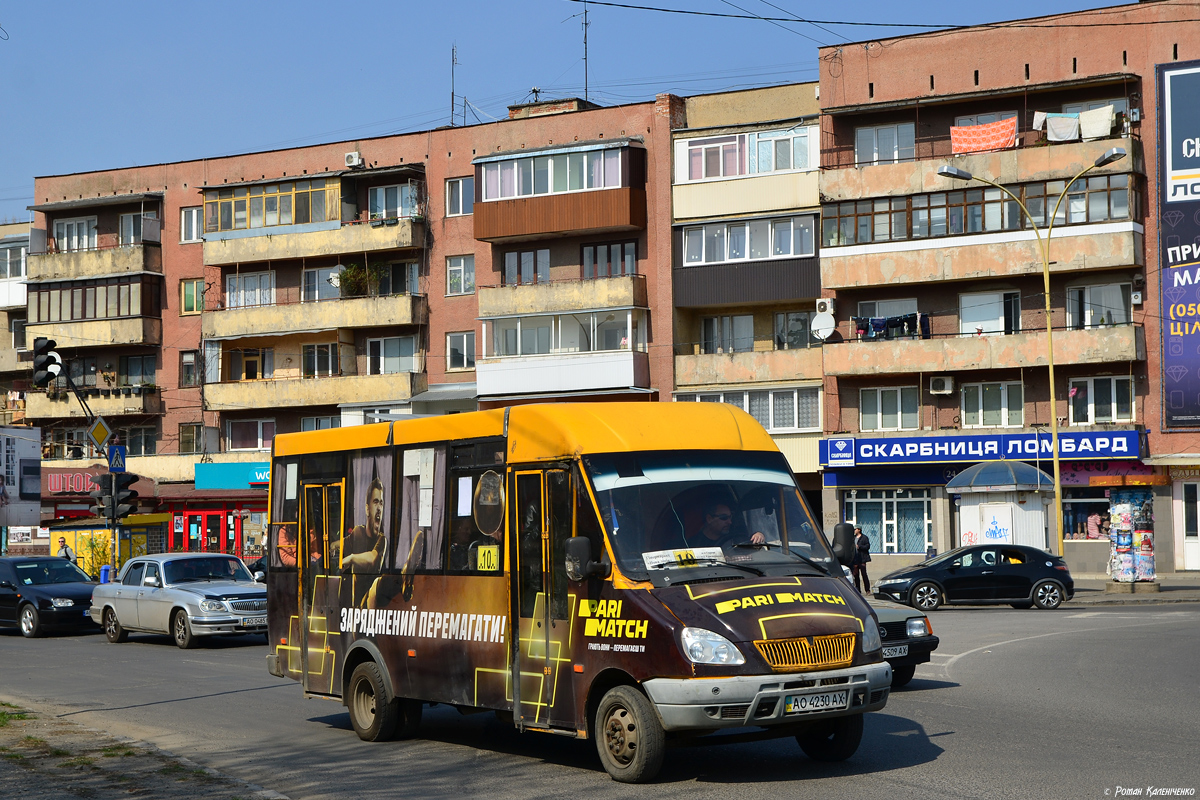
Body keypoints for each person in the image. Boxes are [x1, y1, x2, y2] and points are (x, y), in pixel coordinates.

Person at [692, 502, 765, 548]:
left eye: (730, 517)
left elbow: (746, 544)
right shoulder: (694, 544)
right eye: (724, 518)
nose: (729, 522)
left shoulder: (733, 536)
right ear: (709, 519)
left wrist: (758, 535)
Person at [851, 527, 871, 594]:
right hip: (855, 559)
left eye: (855, 529)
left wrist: (859, 547)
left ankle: (867, 590)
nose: (854, 530)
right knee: (856, 575)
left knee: (864, 574)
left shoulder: (864, 538)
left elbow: (867, 546)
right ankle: (858, 590)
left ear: (859, 530)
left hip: (862, 559)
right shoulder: (853, 538)